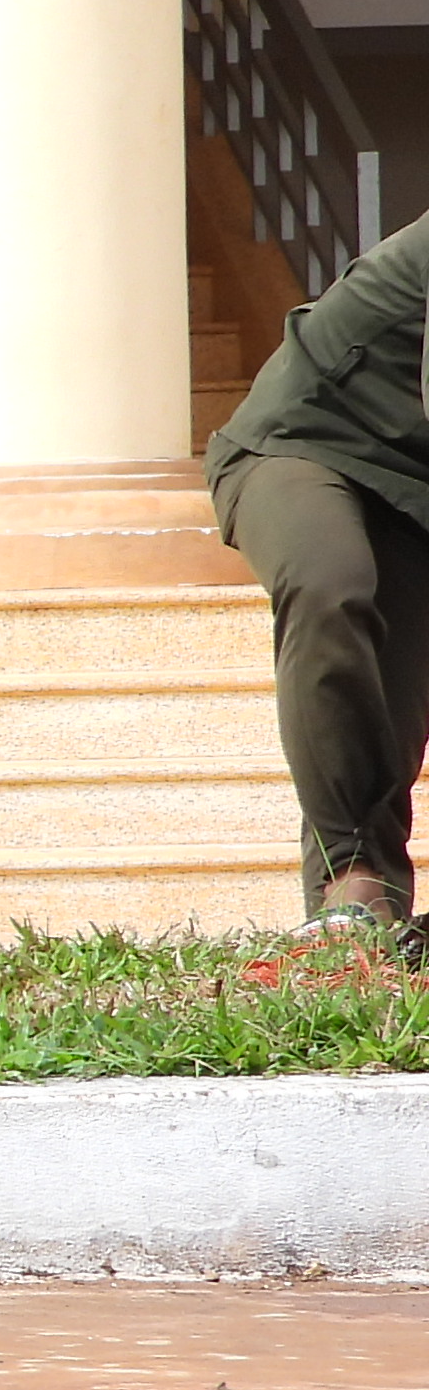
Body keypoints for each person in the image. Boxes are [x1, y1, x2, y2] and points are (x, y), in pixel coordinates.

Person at [209, 210, 429, 932]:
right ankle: (350, 885)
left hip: (412, 493)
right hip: (298, 443)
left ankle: (368, 939)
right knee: (331, 583)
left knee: (391, 707)